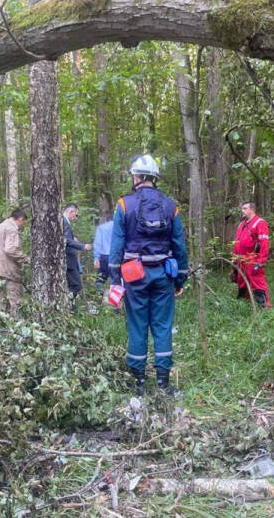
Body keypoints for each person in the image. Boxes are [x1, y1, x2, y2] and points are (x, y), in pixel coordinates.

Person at [109, 154, 189, 396]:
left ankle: (139, 383)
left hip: (134, 276)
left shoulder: (124, 205)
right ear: (154, 178)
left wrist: (115, 280)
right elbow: (180, 246)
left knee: (137, 325)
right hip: (164, 275)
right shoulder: (170, 206)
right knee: (163, 326)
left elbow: (116, 246)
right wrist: (180, 278)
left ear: (137, 177)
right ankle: (164, 383)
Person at [231, 201, 271, 308]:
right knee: (242, 282)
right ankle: (244, 306)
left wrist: (261, 261)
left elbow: (264, 243)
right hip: (241, 260)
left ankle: (264, 308)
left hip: (253, 259)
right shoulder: (242, 224)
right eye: (242, 208)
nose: (242, 211)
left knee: (258, 283)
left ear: (252, 209)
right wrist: (234, 261)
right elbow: (237, 243)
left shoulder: (260, 222)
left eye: (245, 208)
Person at [0, 208, 28, 315]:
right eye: (23, 222)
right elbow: (10, 249)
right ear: (20, 219)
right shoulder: (12, 229)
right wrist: (25, 258)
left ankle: (0, 329)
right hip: (10, 273)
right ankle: (15, 330)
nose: (22, 225)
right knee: (15, 304)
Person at [63, 203, 92, 309]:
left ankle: (70, 306)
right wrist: (82, 246)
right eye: (76, 215)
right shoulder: (64, 222)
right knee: (76, 285)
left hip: (69, 260)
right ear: (71, 212)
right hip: (68, 260)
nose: (75, 218)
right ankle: (68, 305)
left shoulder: (64, 222)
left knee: (72, 285)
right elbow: (66, 241)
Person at [93, 215, 113, 292]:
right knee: (115, 278)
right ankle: (115, 299)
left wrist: (96, 258)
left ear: (106, 220)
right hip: (116, 256)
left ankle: (100, 295)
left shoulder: (101, 227)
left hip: (104, 256)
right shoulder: (118, 227)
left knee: (100, 278)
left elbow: (97, 243)